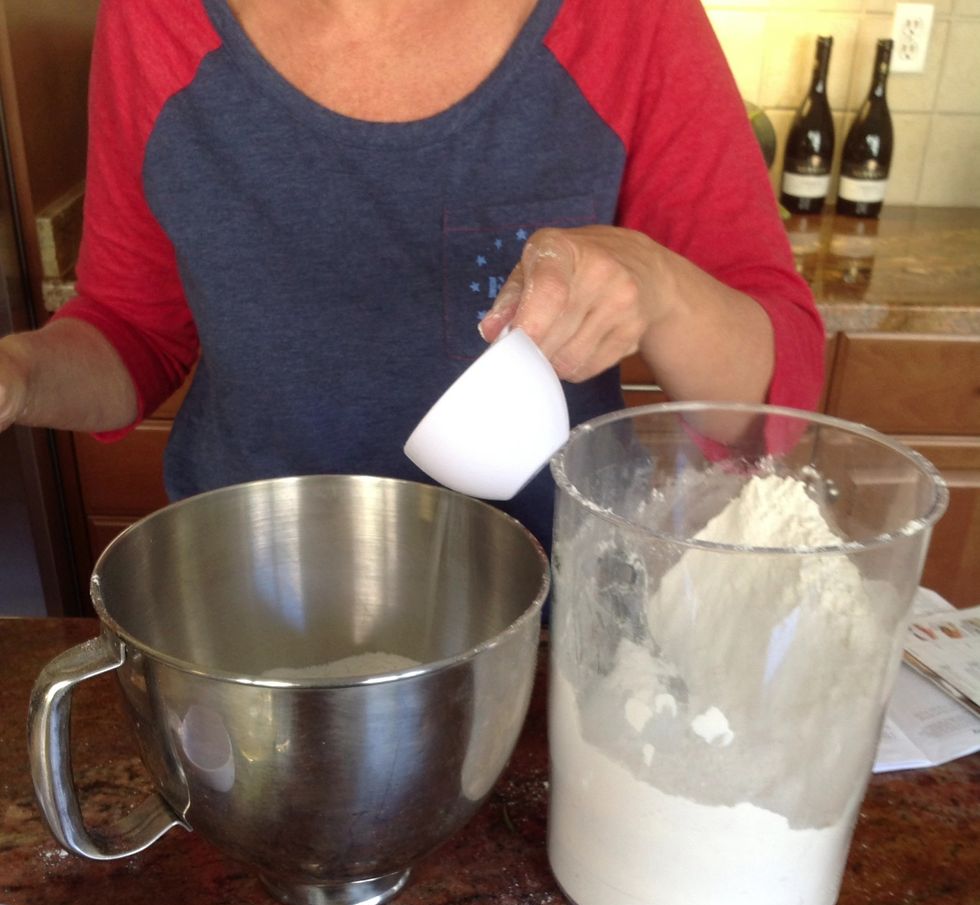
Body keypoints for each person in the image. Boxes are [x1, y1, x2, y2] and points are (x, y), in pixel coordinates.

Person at [0, 0, 823, 552]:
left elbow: (774, 390)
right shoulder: (155, 19)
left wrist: (659, 286)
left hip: (549, 634)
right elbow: (133, 329)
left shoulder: (627, 20)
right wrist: (21, 375)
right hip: (251, 613)